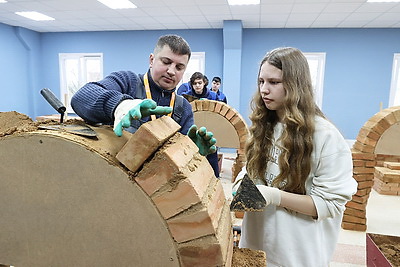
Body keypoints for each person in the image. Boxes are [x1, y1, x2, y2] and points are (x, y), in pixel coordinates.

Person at [232, 47, 357, 267]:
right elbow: (252, 170)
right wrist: (242, 181)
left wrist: (276, 196)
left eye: (274, 82)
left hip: (297, 255)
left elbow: (329, 205)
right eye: (261, 81)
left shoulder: (325, 136)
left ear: (296, 84)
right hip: (255, 247)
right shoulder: (263, 127)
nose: (264, 90)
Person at [71, 34, 216, 157]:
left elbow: (181, 167)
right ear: (152, 60)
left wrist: (192, 153)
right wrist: (120, 105)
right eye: (166, 62)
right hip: (114, 178)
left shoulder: (183, 108)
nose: (171, 71)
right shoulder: (128, 82)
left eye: (179, 67)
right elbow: (81, 97)